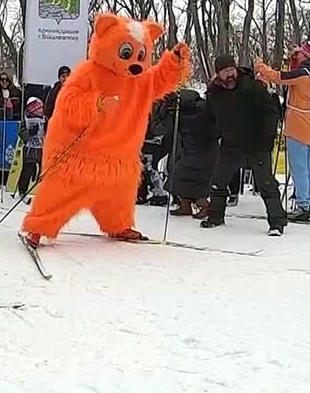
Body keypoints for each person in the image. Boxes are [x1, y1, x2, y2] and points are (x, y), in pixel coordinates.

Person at [21, 13, 188, 247]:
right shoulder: (89, 72)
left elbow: (161, 80)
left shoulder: (140, 80)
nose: (135, 63)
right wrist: (95, 104)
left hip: (120, 157)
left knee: (119, 195)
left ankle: (119, 225)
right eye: (127, 54)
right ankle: (38, 227)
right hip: (81, 155)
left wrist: (174, 62)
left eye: (141, 56)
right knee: (59, 194)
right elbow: (67, 104)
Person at [200, 55, 288, 236]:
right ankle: (215, 216)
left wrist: (268, 135)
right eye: (225, 71)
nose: (230, 74)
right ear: (218, 74)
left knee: (265, 183)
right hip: (231, 143)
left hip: (257, 142)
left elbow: (271, 112)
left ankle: (277, 222)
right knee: (219, 181)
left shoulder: (252, 86)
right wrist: (213, 133)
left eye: (232, 69)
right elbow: (209, 118)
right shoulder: (214, 93)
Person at [255, 41, 310, 221]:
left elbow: (278, 77)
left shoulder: (304, 73)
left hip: (298, 126)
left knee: (299, 168)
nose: (299, 56)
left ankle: (303, 204)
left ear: (308, 55)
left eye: (301, 54)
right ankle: (308, 202)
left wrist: (260, 66)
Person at [168, 88, 216, 219]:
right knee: (180, 177)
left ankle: (205, 205)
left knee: (192, 181)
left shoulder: (191, 115)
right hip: (195, 152)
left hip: (198, 153)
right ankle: (186, 205)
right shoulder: (202, 110)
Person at [16, 97, 46, 198]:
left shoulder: (44, 118)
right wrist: (29, 132)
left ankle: (42, 190)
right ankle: (22, 189)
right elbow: (21, 132)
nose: (40, 110)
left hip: (41, 148)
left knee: (43, 169)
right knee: (27, 169)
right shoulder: (26, 119)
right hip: (30, 148)